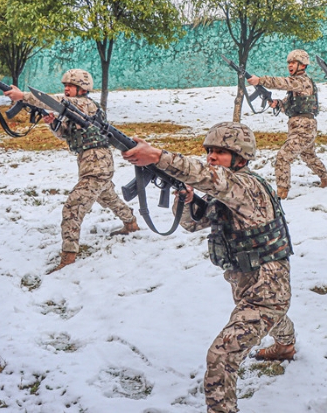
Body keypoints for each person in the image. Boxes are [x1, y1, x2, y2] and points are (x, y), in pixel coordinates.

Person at [121, 122, 296, 413]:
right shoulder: (226, 193)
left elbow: (205, 175)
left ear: (240, 158)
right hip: (246, 283)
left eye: (221, 152)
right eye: (210, 151)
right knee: (273, 318)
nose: (212, 157)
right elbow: (193, 224)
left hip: (267, 288)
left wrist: (157, 156)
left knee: (221, 356)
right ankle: (286, 345)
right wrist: (187, 201)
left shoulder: (245, 186)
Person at [4, 69, 139, 273]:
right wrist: (53, 124)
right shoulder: (74, 109)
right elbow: (66, 134)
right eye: (65, 85)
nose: (66, 88)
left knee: (72, 208)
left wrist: (22, 96)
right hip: (90, 163)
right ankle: (131, 223)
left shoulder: (85, 103)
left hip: (97, 165)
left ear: (82, 88)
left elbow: (52, 101)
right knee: (107, 197)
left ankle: (68, 257)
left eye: (71, 86)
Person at [247, 49, 327, 199]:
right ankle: (326, 180)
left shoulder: (301, 81)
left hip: (304, 127)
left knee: (283, 157)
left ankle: (282, 192)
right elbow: (288, 105)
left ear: (303, 65)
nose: (290, 66)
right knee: (309, 156)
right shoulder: (296, 87)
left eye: (294, 63)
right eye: (289, 63)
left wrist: (260, 80)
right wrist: (277, 104)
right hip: (300, 126)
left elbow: (282, 83)